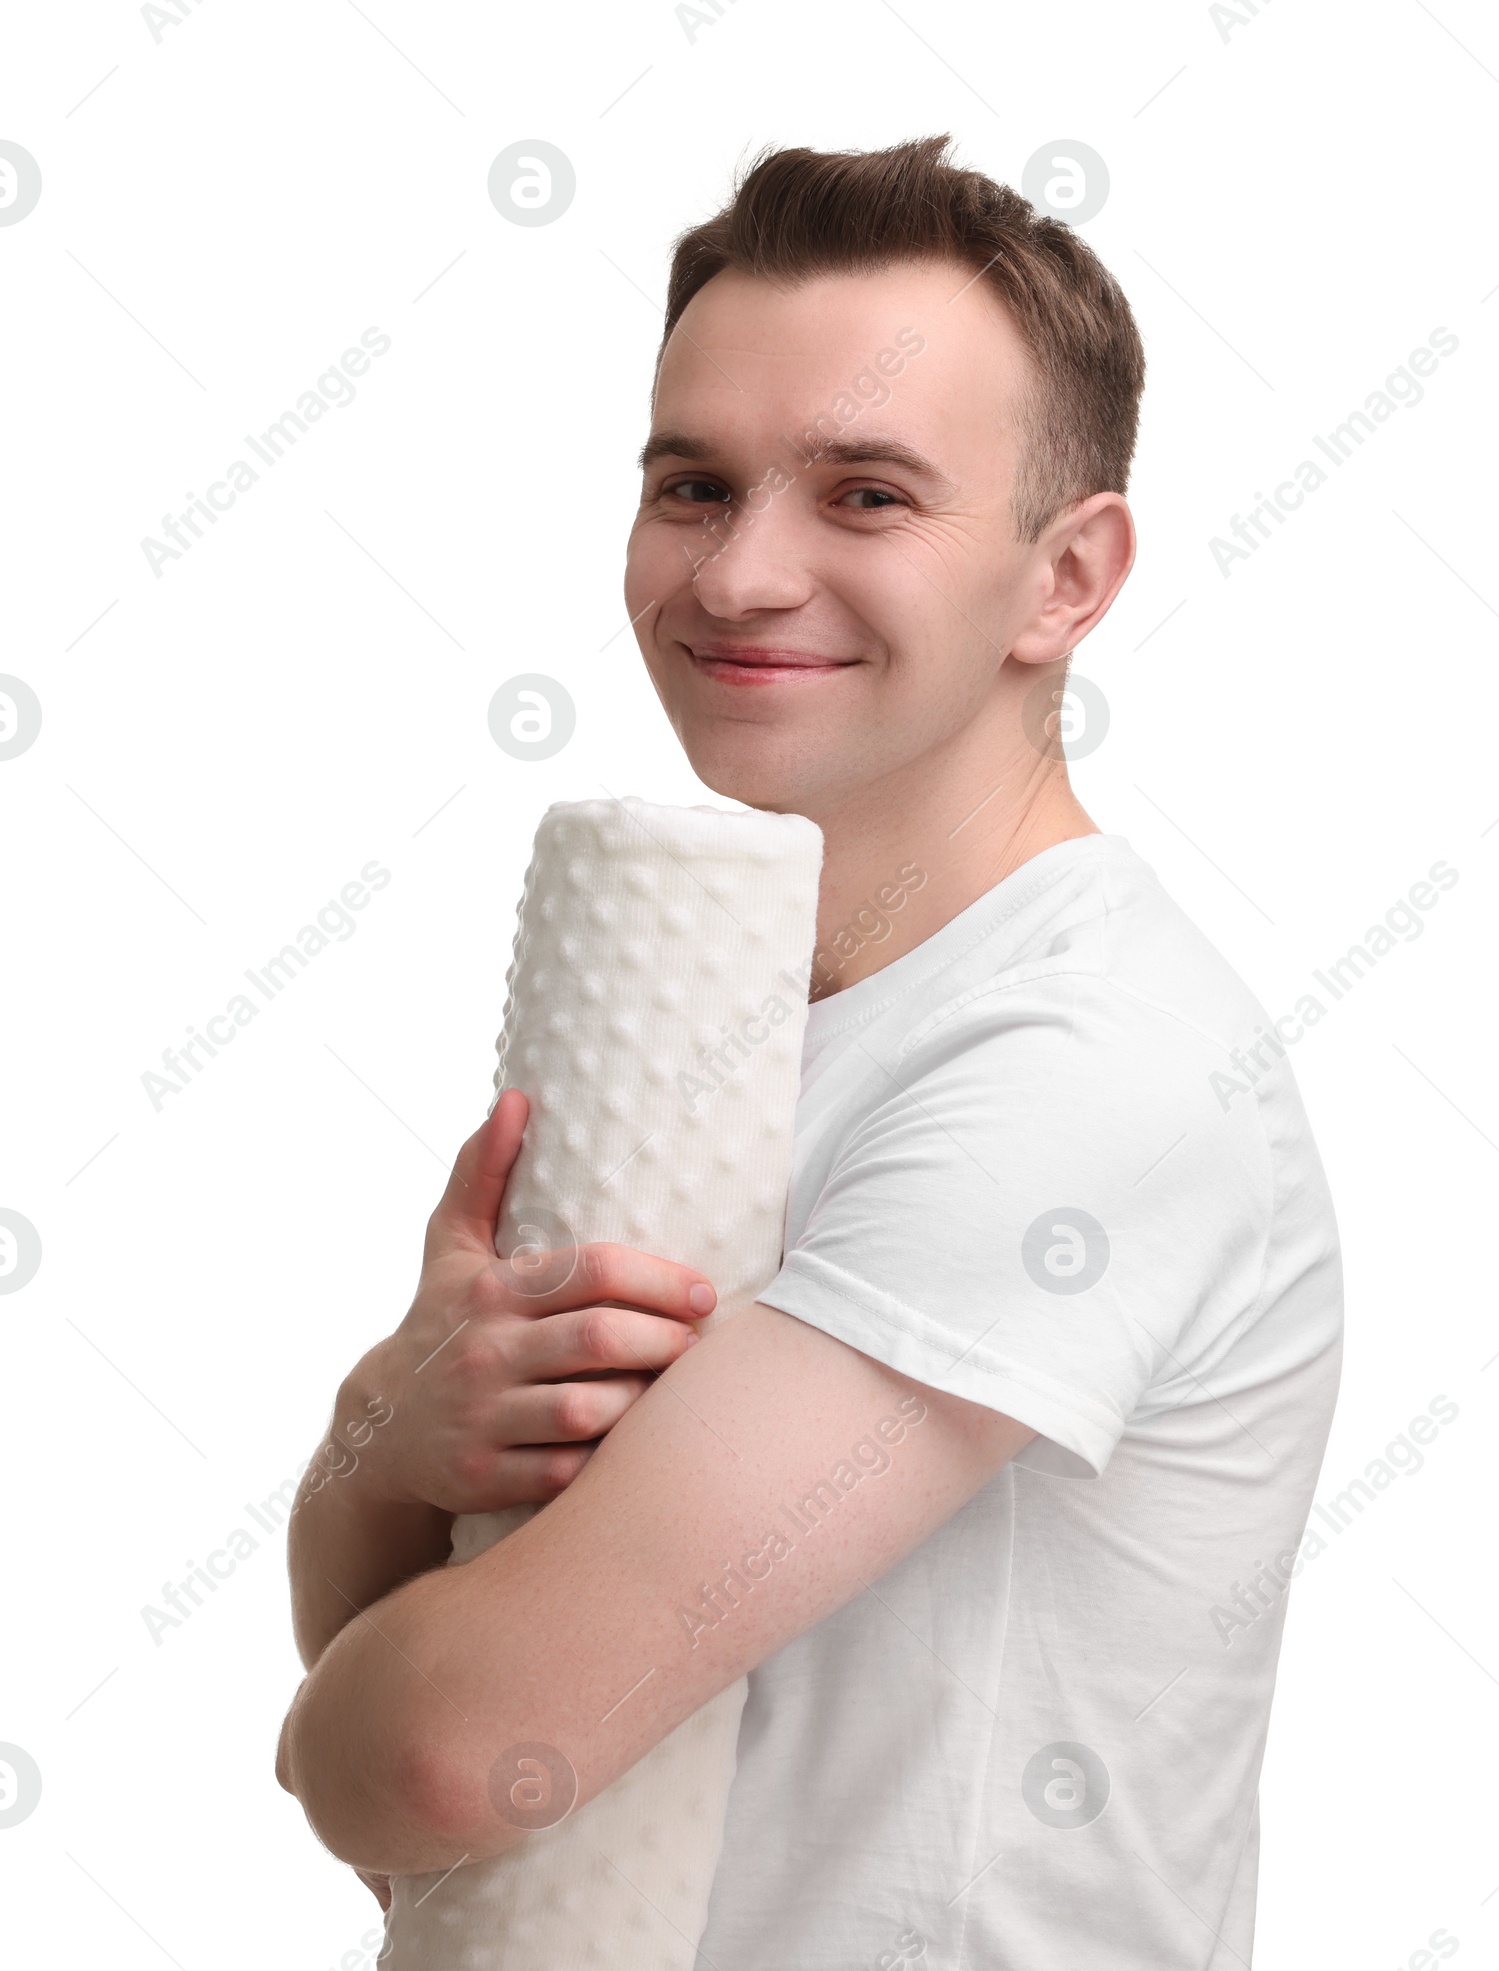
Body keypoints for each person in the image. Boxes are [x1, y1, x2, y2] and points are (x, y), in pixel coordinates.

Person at [276, 134, 1342, 1969]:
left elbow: (448, 1762)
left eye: (865, 496)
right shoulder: (713, 1020)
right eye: (695, 485)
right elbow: (438, 1653)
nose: (744, 574)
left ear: (1066, 579)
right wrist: (393, 1436)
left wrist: (342, 1718)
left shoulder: (1078, 1070)